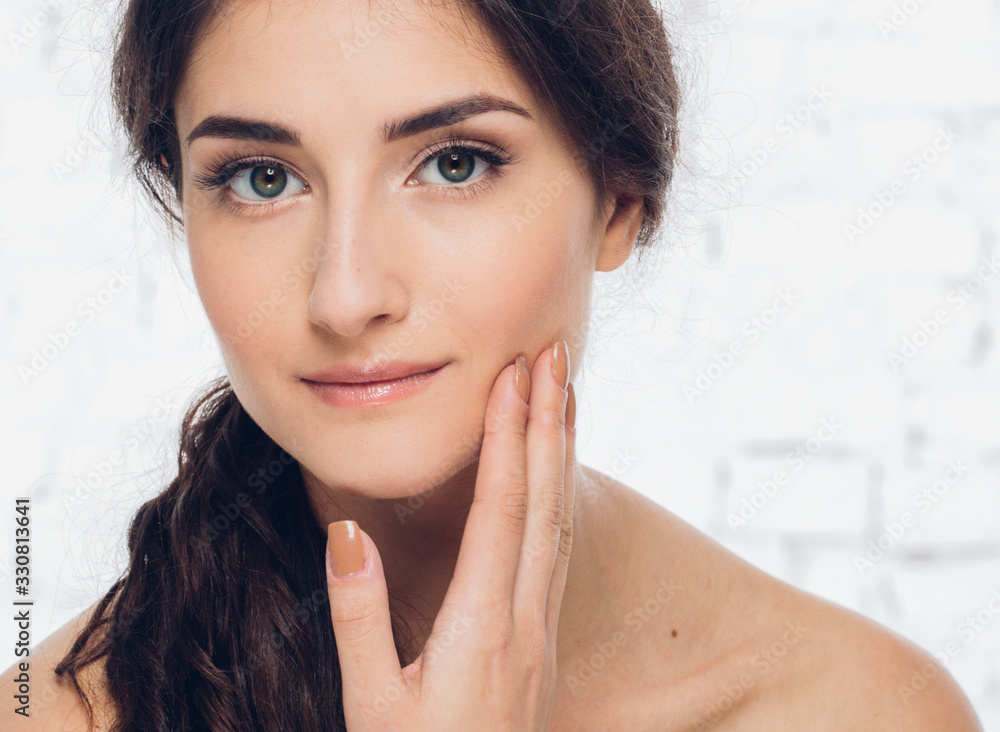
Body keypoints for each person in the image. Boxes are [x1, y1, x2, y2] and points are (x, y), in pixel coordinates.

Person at [2, 0, 983, 729]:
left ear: (618, 198)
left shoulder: (858, 711)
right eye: (262, 179)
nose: (345, 295)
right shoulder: (52, 715)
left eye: (454, 163)